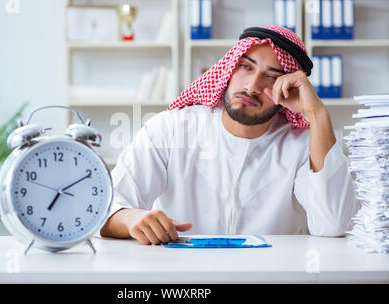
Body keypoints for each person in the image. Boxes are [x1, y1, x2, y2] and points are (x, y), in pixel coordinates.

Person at [100, 25, 358, 245]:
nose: (252, 86)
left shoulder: (303, 145)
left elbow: (334, 224)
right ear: (229, 68)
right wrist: (130, 218)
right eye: (246, 67)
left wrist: (318, 114)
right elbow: (105, 208)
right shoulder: (170, 129)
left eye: (271, 78)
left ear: (287, 89)